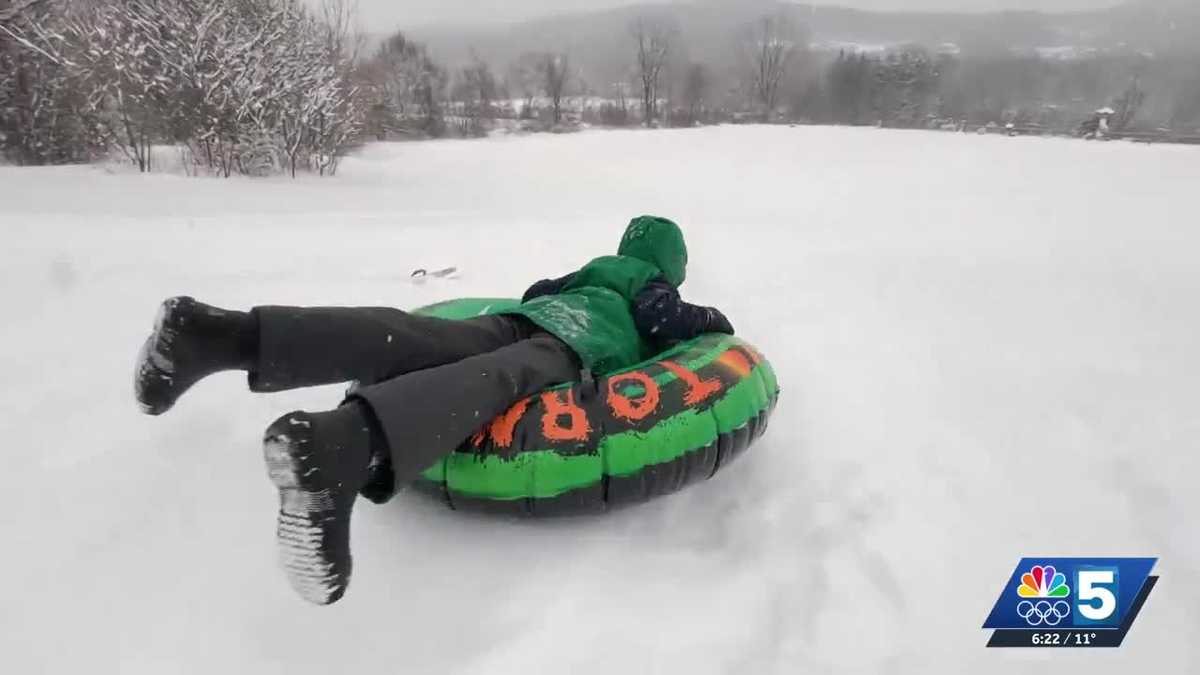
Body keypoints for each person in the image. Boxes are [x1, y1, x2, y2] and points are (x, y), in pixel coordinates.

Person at [134, 215, 734, 605]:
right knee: (495, 380)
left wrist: (559, 299)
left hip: (519, 320)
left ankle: (220, 335)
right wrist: (711, 325)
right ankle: (346, 444)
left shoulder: (592, 271)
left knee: (417, 338)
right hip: (571, 345)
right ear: (669, 264)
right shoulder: (650, 286)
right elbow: (665, 322)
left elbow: (536, 291)